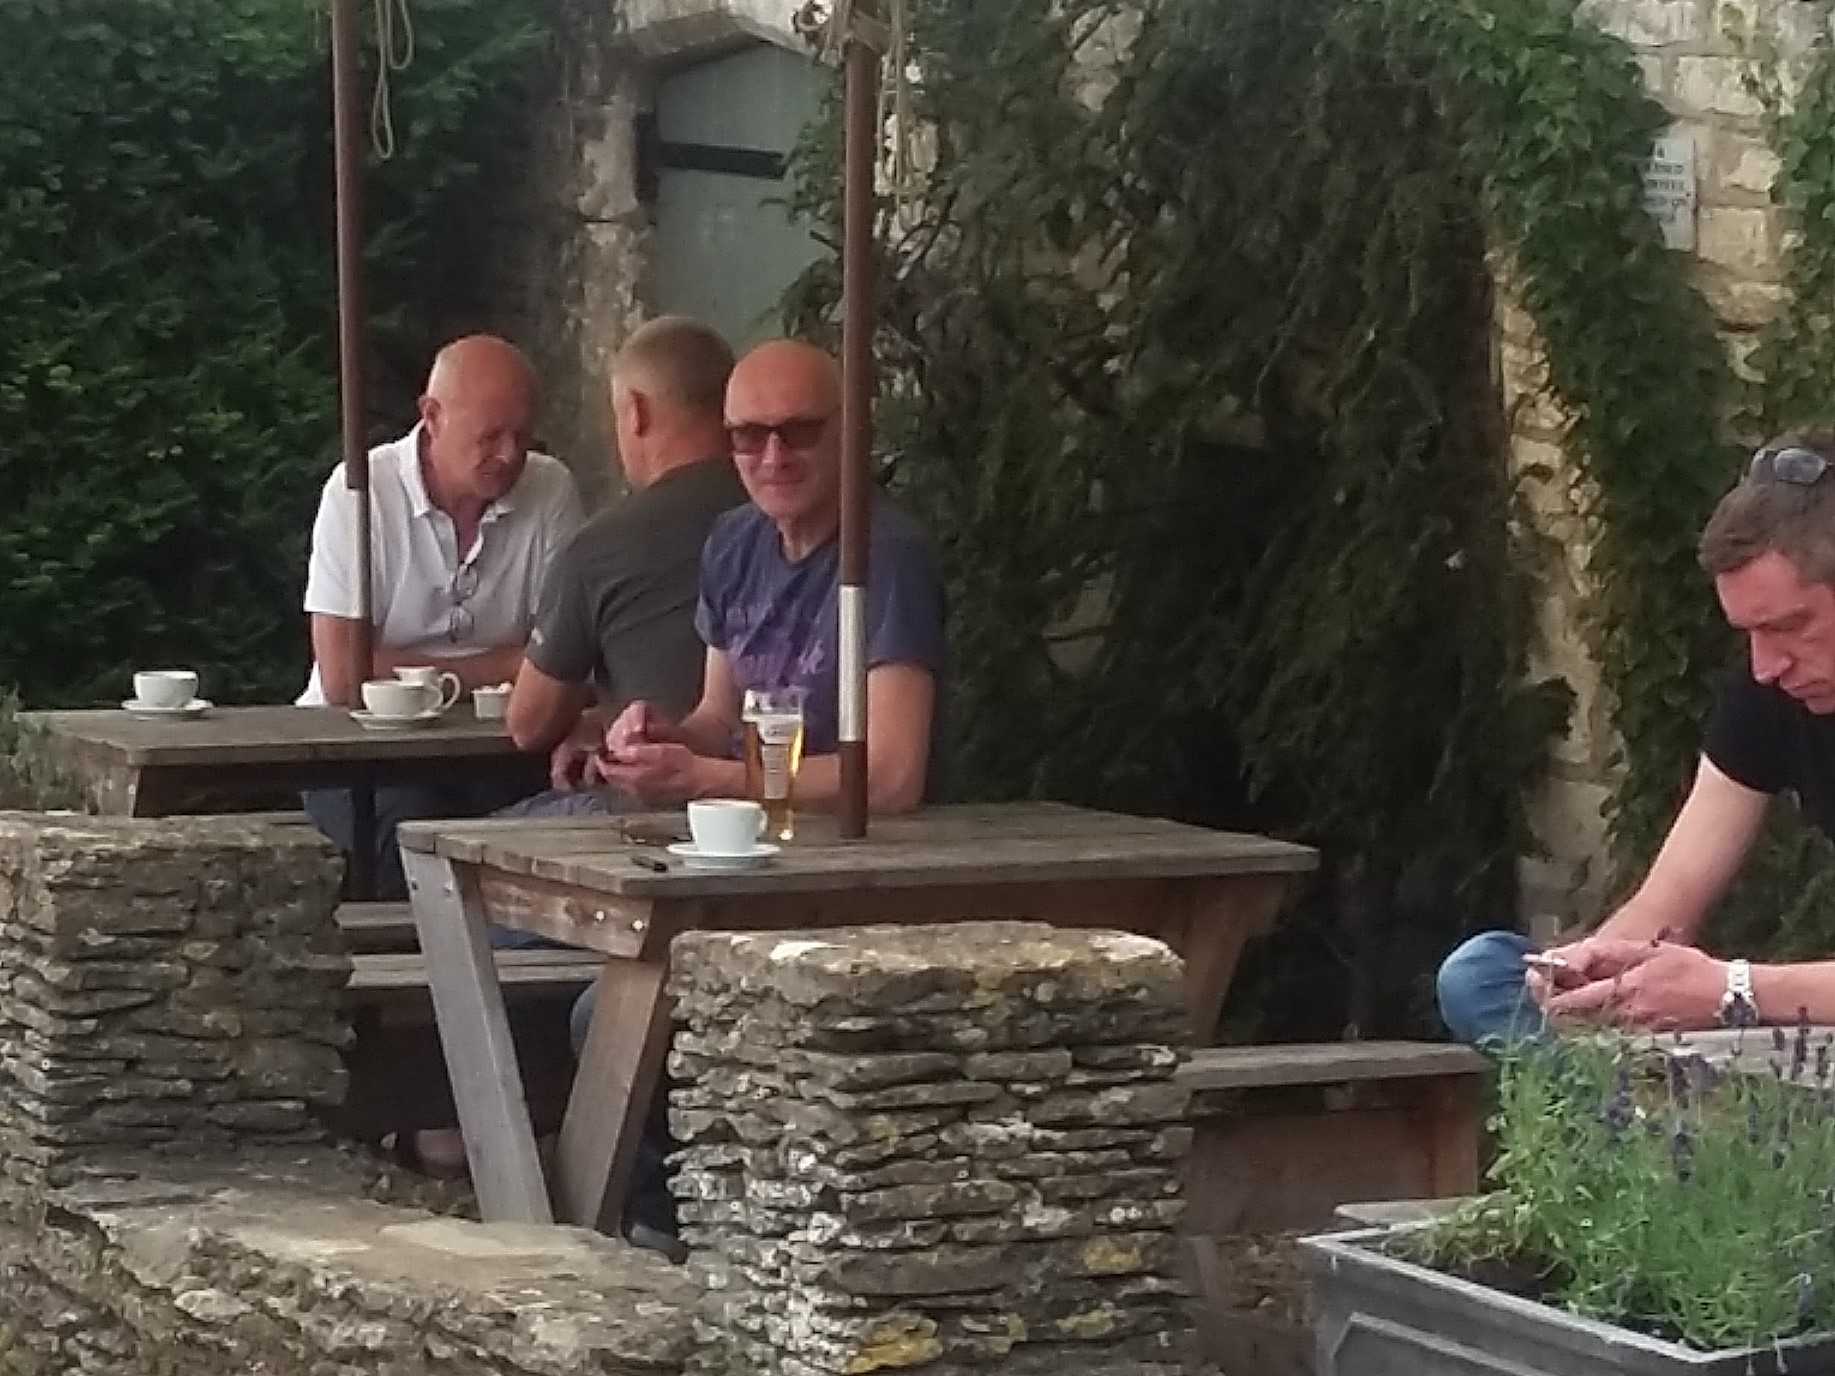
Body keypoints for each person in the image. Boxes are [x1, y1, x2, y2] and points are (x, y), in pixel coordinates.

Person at [1438, 432, 1835, 1044]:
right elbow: (1666, 905)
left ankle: (1599, 1098)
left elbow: (1733, 991)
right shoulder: (1769, 693)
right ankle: (1606, 1091)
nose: (1765, 666)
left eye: (1789, 626)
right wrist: (1599, 972)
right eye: (1750, 634)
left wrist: (1734, 991)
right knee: (1480, 974)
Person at [595, 338, 948, 810]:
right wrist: (661, 742)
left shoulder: (888, 555)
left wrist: (709, 779)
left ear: (849, 431)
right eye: (749, 436)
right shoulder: (732, 540)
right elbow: (720, 720)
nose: (773, 458)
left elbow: (890, 777)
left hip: (857, 839)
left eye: (800, 432)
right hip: (753, 827)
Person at [298, 334, 583, 898]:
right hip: (359, 752)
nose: (510, 455)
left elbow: (571, 661)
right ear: (431, 417)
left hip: (500, 751)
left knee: (550, 831)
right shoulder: (360, 490)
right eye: (490, 437)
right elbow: (343, 677)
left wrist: (399, 668)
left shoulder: (550, 489)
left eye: (522, 436)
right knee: (411, 839)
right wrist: (507, 664)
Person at [505, 316, 747, 802]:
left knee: (435, 840)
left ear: (636, 412)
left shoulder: (602, 545)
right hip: (782, 782)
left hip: (659, 805)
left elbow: (529, 725)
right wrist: (605, 718)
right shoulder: (782, 518)